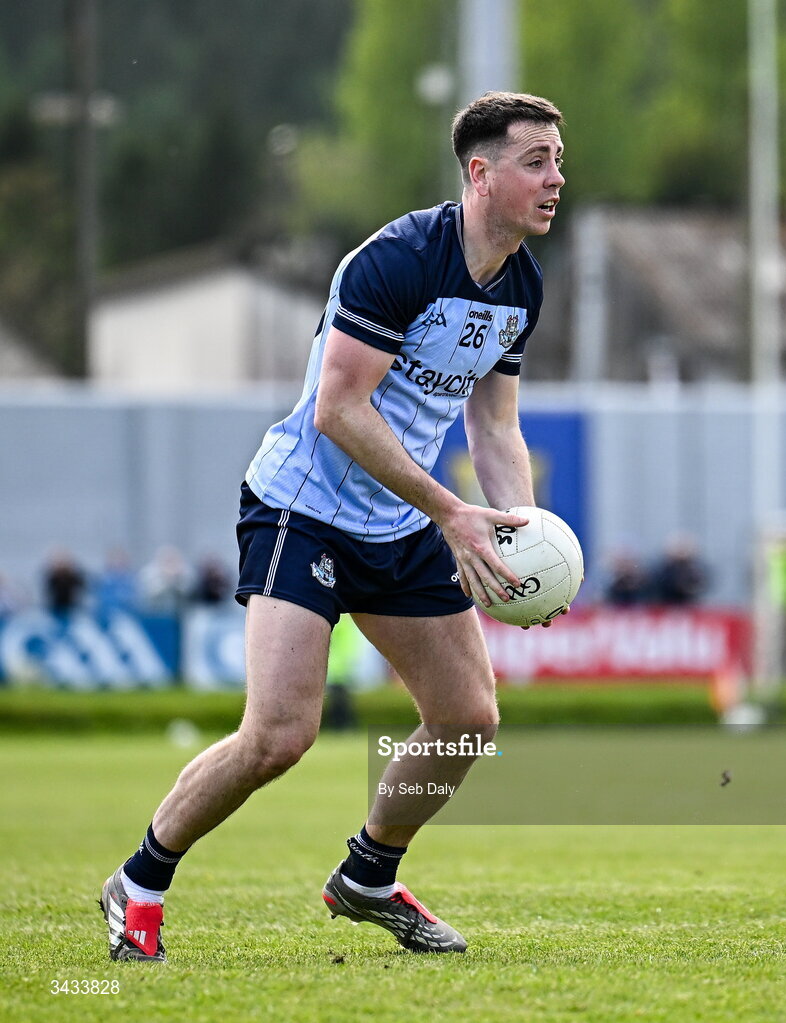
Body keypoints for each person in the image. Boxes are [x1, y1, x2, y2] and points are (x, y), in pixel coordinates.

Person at [99, 91, 566, 961]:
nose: (555, 179)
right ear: (480, 172)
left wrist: (517, 533)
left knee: (468, 716)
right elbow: (338, 411)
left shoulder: (521, 284)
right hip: (299, 511)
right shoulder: (396, 260)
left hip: (403, 522)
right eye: (536, 160)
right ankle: (141, 877)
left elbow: (494, 426)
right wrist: (453, 512)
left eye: (557, 161)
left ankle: (369, 876)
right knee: (280, 734)